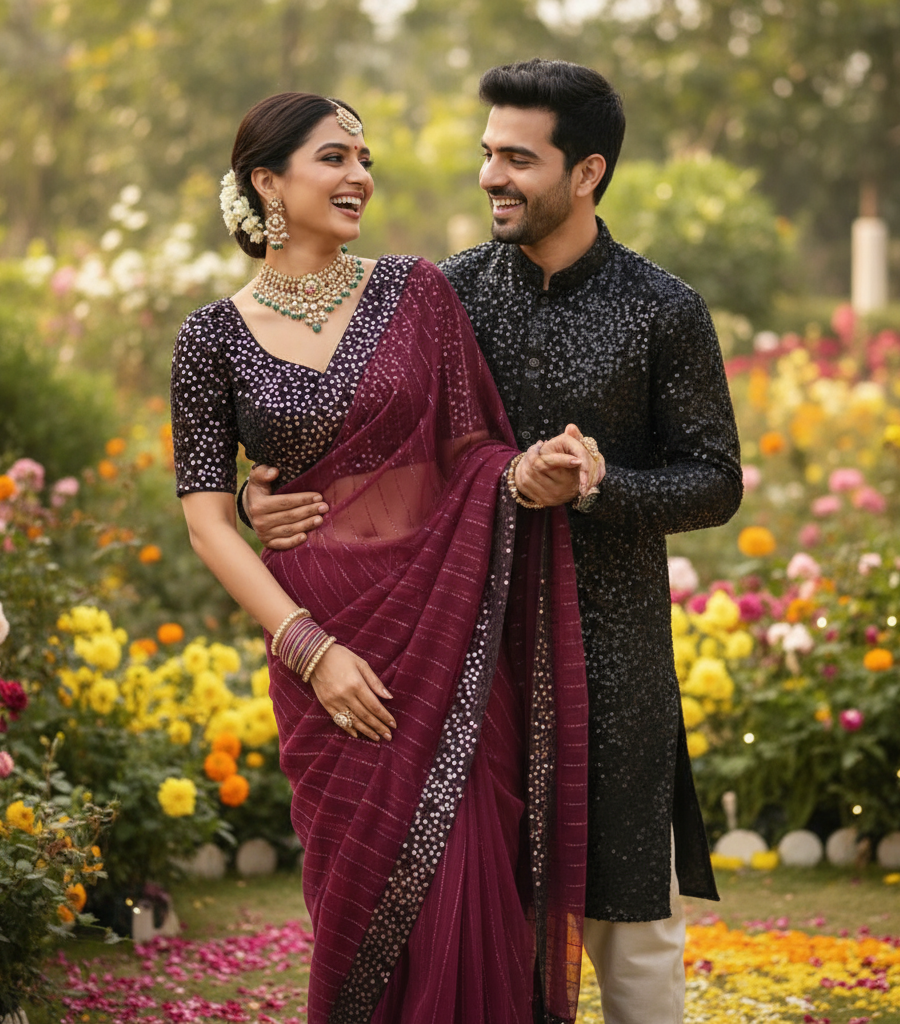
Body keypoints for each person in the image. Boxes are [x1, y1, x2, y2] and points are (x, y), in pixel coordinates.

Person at [242, 62, 744, 1024]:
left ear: (587, 171)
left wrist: (601, 487)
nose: (490, 177)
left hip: (610, 667)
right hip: (463, 668)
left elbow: (715, 479)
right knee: (476, 943)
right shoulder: (442, 296)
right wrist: (272, 501)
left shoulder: (661, 310)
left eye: (518, 158)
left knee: (633, 950)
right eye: (487, 153)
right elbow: (364, 445)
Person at [170, 91, 600, 1024]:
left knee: (463, 870)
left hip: (443, 630)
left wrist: (526, 473)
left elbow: (472, 450)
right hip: (324, 652)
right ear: (266, 182)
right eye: (334, 158)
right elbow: (208, 522)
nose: (360, 177)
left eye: (364, 159)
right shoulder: (211, 338)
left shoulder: (416, 293)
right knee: (360, 894)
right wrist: (309, 651)